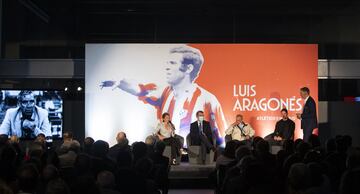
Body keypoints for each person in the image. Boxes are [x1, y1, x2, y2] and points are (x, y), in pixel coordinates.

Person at [100, 45, 227, 145]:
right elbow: (140, 88)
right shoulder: (165, 92)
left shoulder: (208, 99)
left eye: (172, 63)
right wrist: (120, 83)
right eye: (167, 63)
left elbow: (219, 134)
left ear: (188, 68)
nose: (166, 67)